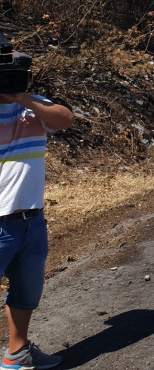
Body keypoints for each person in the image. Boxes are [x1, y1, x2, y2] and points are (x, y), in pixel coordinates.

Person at [0, 66, 74, 370]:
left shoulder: (35, 107)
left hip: (32, 220)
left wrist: (24, 98)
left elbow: (65, 119)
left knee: (27, 290)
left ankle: (16, 354)